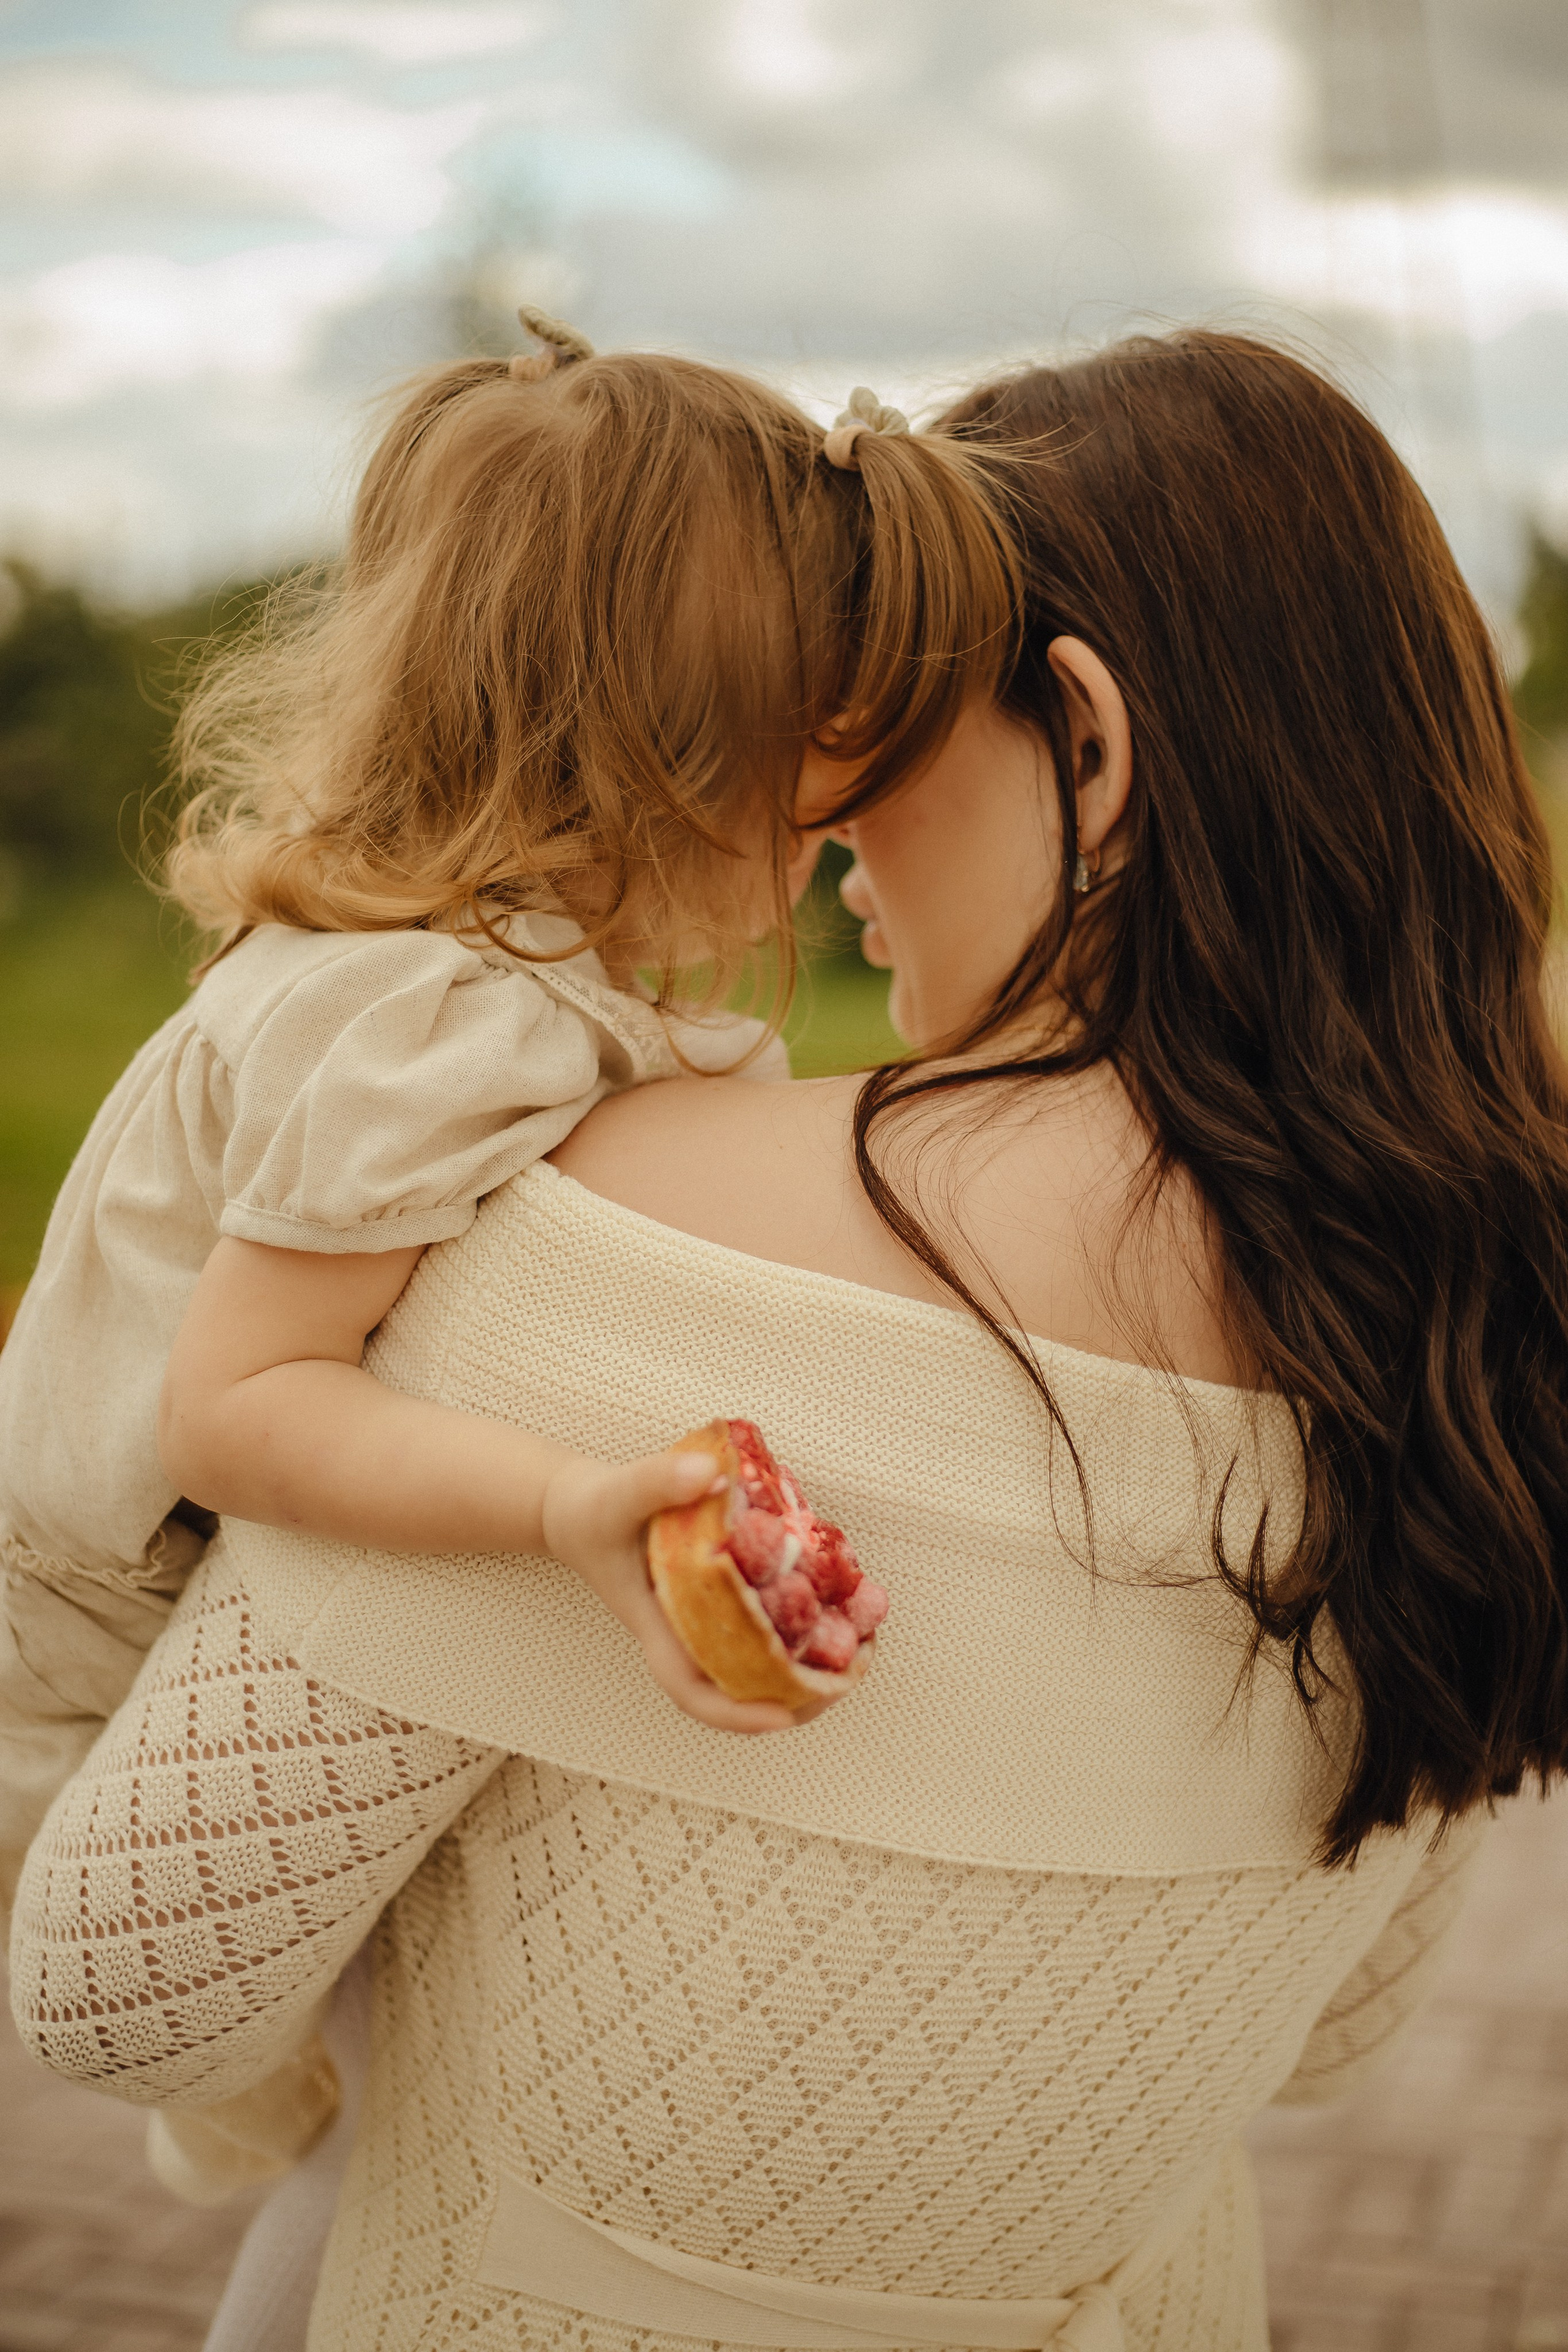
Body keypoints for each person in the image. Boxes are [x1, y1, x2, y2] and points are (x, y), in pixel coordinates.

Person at [14, 331, 1568, 2352]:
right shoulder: (1491, 1321)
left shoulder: (599, 1239)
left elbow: (132, 1987)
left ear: (1089, 748)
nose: (826, 827)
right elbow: (1334, 2038)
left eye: (883, 724)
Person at [0, 311, 1016, 1927]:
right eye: (807, 761)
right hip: (83, 1659)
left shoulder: (500, 984)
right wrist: (561, 1506)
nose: (836, 827)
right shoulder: (434, 1022)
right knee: (161, 1990)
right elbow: (241, 1403)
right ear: (665, 757)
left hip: (161, 1622)